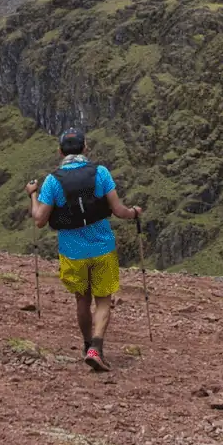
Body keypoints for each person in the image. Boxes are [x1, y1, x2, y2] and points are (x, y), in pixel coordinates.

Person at [28, 128, 142, 372]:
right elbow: (119, 211)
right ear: (85, 148)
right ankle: (97, 348)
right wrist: (135, 213)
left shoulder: (52, 181)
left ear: (60, 152)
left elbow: (39, 219)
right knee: (103, 300)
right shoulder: (100, 173)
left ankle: (87, 344)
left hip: (72, 252)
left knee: (82, 299)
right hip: (102, 247)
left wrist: (33, 195)